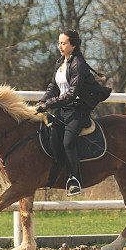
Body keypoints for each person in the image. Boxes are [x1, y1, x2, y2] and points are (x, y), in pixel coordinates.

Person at [35, 29, 98, 196]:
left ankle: (74, 179)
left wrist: (48, 103)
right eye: (59, 43)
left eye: (63, 43)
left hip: (78, 110)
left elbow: (71, 94)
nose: (60, 46)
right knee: (52, 138)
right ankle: (56, 174)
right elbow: (53, 87)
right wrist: (43, 101)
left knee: (68, 142)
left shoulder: (79, 64)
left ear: (73, 45)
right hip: (62, 110)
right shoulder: (60, 62)